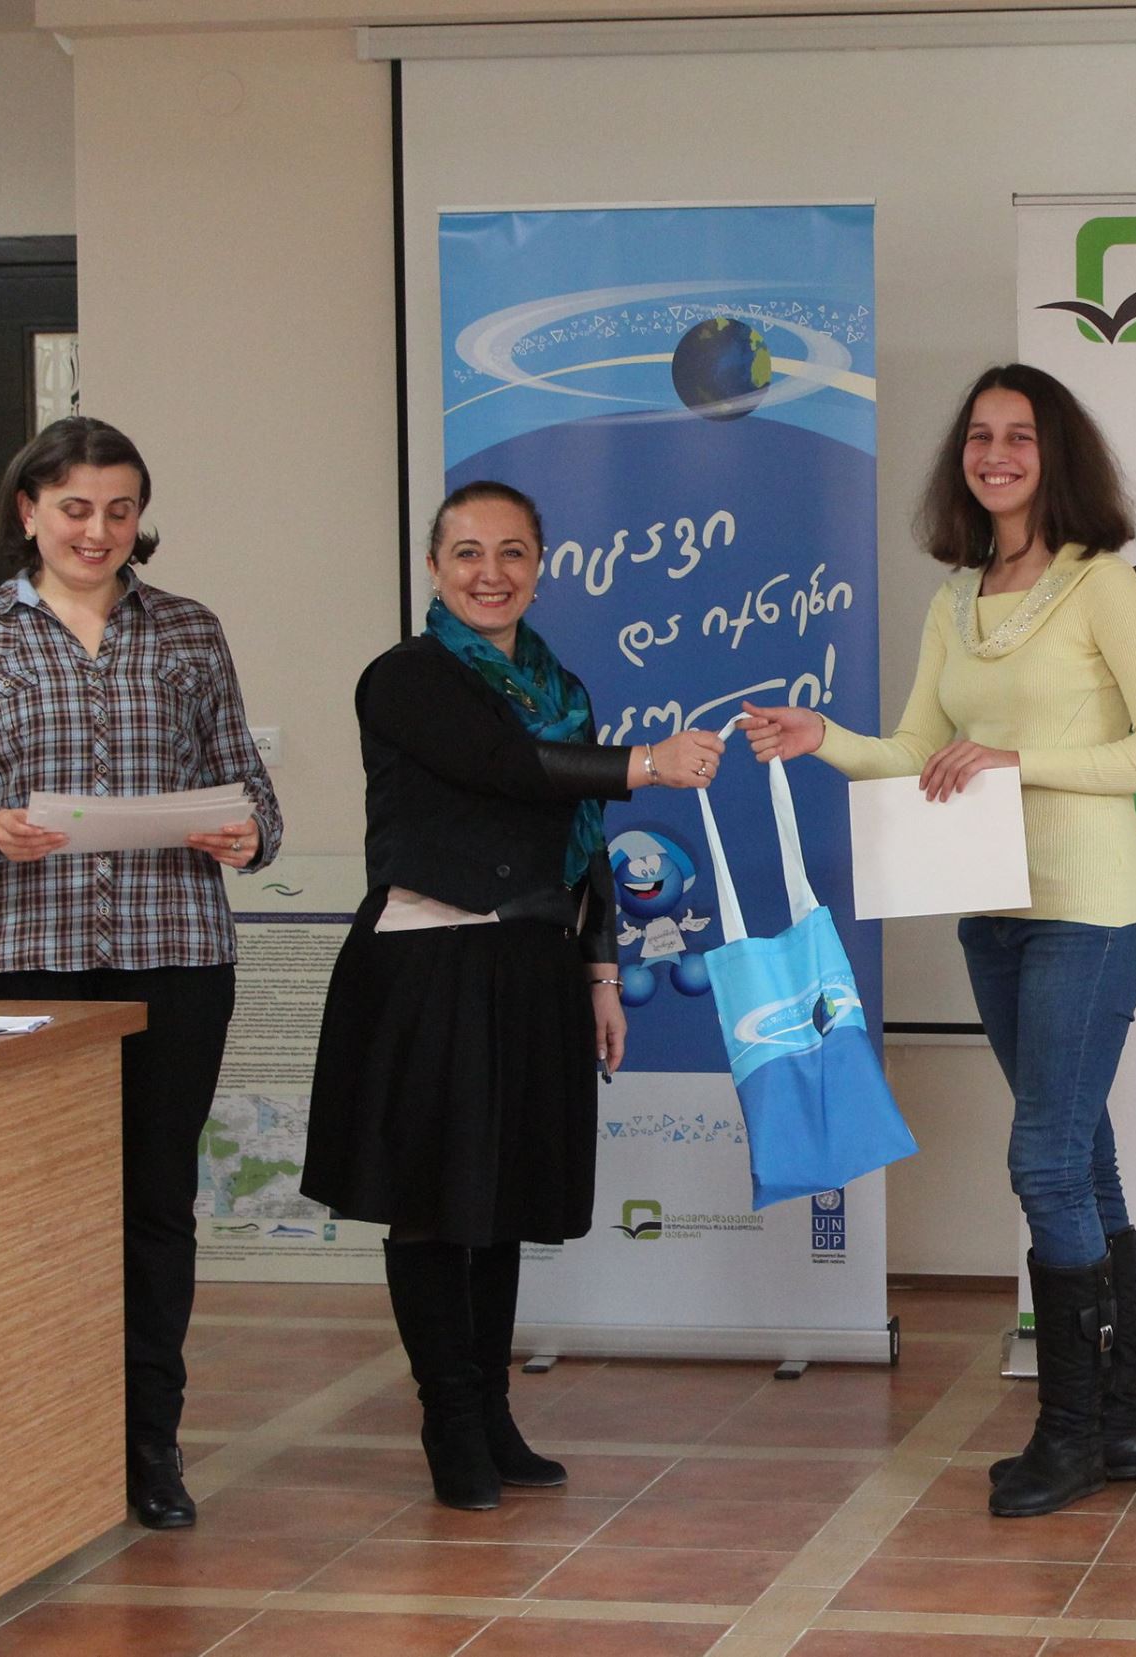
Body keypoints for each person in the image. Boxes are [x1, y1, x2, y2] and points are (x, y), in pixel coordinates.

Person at [742, 364, 1136, 1519]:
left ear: (1056, 455)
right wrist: (820, 735)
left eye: (1019, 436)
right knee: (1080, 1156)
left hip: (1090, 910)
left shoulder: (1101, 585)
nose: (994, 453)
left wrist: (1013, 761)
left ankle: (1069, 1432)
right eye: (979, 436)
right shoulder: (955, 599)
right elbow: (914, 751)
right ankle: (1123, 1424)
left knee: (1042, 1161)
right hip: (990, 911)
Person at [0, 416, 281, 1531]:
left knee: (156, 1205)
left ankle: (149, 1445)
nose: (96, 530)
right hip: (21, 962)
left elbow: (251, 789)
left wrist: (248, 832)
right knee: (28, 1207)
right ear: (29, 512)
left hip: (176, 958)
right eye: (73, 508)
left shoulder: (189, 631)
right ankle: (36, 1444)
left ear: (138, 516)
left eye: (117, 509)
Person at [302, 481, 724, 1511]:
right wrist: (647, 763)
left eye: (511, 553)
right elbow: (505, 767)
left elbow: (582, 843)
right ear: (434, 567)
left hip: (533, 963)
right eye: (467, 553)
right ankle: (448, 1419)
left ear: (541, 567)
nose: (489, 573)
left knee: (499, 1204)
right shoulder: (405, 676)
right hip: (429, 964)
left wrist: (600, 971)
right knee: (432, 1204)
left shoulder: (559, 686)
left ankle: (491, 1415)